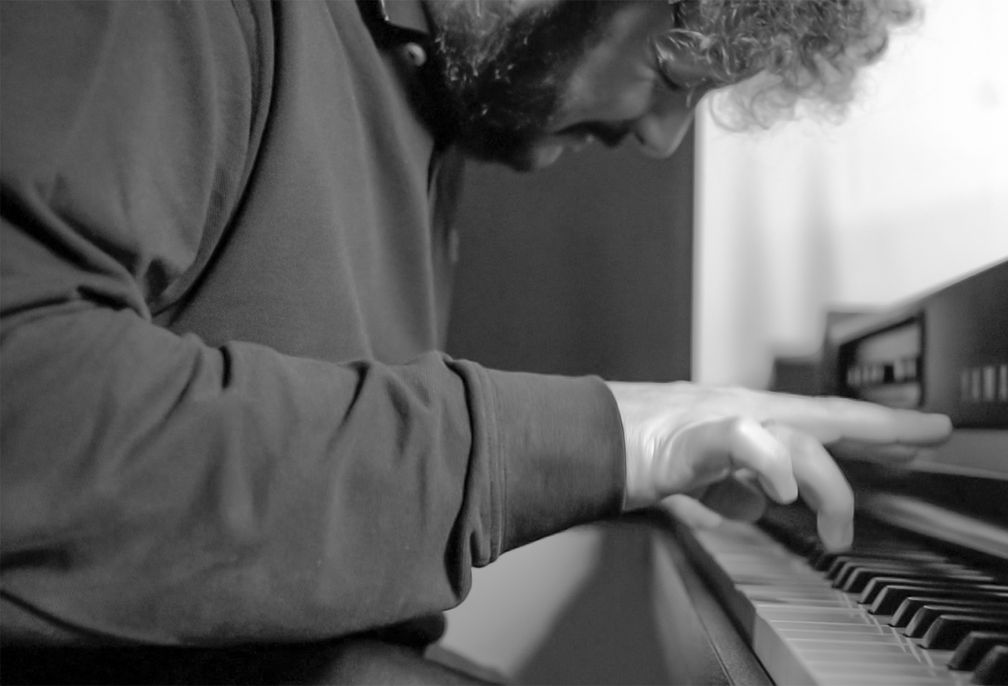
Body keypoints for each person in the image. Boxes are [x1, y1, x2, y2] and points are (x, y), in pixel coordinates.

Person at [0, 0, 947, 681]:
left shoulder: (429, 102)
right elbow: (31, 423)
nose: (664, 139)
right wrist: (606, 437)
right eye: (670, 74)